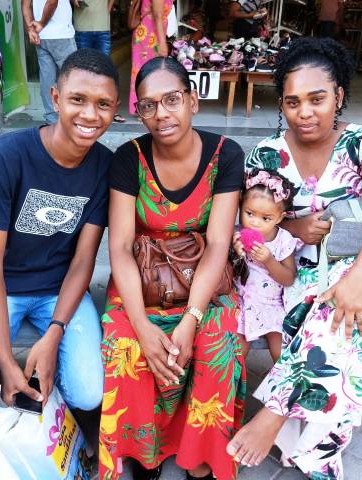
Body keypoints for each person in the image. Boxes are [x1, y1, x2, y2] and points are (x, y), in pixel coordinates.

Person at [225, 37, 362, 478]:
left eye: (317, 99)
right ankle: (319, 454)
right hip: (291, 272)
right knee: (354, 332)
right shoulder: (268, 155)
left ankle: (272, 415)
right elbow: (250, 219)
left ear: (339, 96)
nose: (304, 112)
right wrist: (293, 227)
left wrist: (360, 275)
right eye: (292, 102)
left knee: (348, 300)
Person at [0, 50, 120, 436]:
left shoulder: (105, 166)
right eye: (78, 100)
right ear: (55, 98)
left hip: (59, 290)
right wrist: (6, 361)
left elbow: (83, 261)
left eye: (102, 104)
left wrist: (54, 334)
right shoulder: (8, 155)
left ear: (115, 109)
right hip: (0, 286)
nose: (90, 115)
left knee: (90, 393)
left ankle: (43, 395)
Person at [101, 56, 246, 480]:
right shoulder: (128, 159)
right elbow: (122, 247)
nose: (161, 114)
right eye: (148, 105)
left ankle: (200, 458)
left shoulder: (225, 155)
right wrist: (144, 327)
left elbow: (219, 242)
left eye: (172, 99)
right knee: (127, 345)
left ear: (193, 101)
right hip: (140, 282)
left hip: (201, 279)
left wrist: (191, 319)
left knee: (217, 338)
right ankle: (144, 456)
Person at [232, 169, 298, 363]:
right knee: (237, 353)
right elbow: (229, 271)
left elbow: (288, 278)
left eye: (266, 218)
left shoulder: (282, 240)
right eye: (249, 213)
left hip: (272, 306)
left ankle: (285, 390)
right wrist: (236, 253)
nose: (254, 223)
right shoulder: (236, 235)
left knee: (281, 354)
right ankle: (234, 390)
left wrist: (269, 260)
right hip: (242, 303)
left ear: (279, 218)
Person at [22, 0, 77, 124]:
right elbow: (52, 2)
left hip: (41, 37)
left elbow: (25, 5)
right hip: (61, 35)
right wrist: (41, 23)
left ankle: (52, 120)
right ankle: (72, 117)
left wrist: (31, 29)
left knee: (47, 78)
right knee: (73, 78)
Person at [72, 0, 126, 122]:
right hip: (82, 28)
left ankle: (111, 111)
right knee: (83, 72)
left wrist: (107, 9)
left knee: (106, 72)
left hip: (103, 28)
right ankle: (84, 110)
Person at [129, 0, 172, 115]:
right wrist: (162, 43)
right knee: (148, 73)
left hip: (152, 32)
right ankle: (143, 107)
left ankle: (147, 105)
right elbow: (157, 16)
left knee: (149, 72)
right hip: (149, 35)